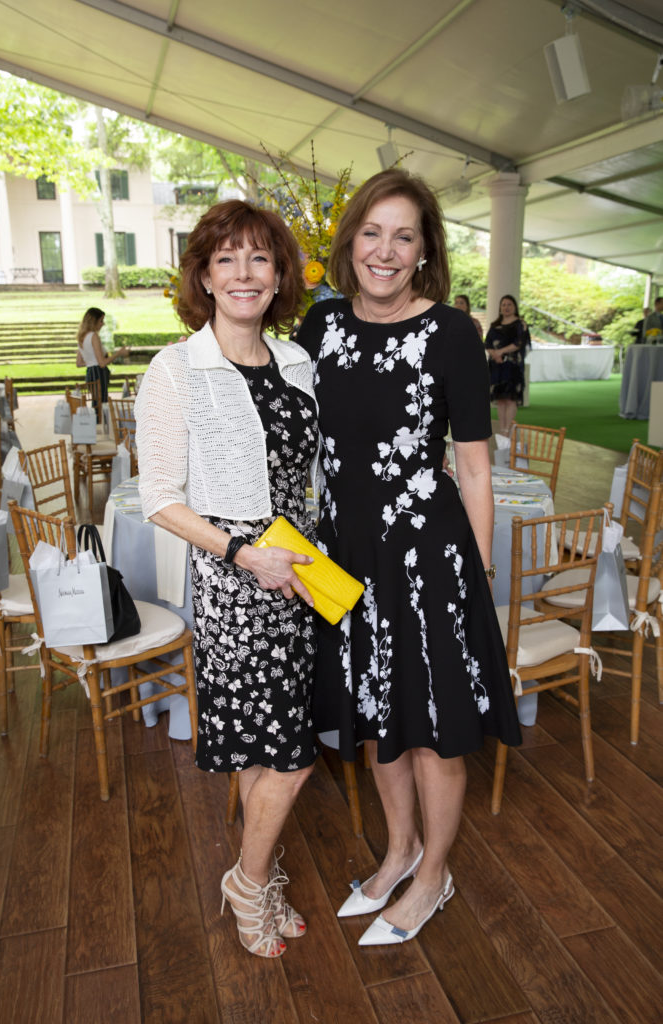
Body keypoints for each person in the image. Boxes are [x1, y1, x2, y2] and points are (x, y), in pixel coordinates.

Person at [297, 169, 521, 947]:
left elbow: (475, 467)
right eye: (372, 232)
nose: (385, 251)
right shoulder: (317, 331)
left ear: (424, 250)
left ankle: (434, 876)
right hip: (343, 556)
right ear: (349, 239)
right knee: (372, 713)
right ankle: (398, 852)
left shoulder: (452, 333)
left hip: (428, 557)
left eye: (403, 235)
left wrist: (479, 580)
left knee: (430, 725)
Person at [134, 200, 321, 960]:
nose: (244, 273)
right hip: (238, 587)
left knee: (257, 747)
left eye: (260, 259)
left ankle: (258, 870)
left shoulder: (297, 362)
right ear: (204, 277)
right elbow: (158, 499)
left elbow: (311, 473)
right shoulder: (177, 369)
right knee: (293, 752)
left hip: (301, 576)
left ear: (279, 276)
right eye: (227, 259)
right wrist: (244, 554)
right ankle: (248, 883)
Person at [484, 294, 531, 437]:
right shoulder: (495, 325)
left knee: (511, 398)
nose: (506, 307)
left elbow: (518, 344)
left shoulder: (520, 324)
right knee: (500, 399)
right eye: (503, 305)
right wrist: (495, 354)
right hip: (497, 367)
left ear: (515, 307)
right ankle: (502, 428)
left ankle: (507, 429)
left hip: (512, 366)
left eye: (509, 304)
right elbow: (488, 343)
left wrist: (501, 352)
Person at [75, 307, 129, 414]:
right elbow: (102, 363)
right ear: (93, 321)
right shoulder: (93, 336)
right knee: (101, 404)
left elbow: (79, 363)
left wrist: (91, 361)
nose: (103, 324)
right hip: (98, 373)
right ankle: (101, 426)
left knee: (96, 404)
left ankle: (97, 426)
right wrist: (119, 353)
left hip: (90, 373)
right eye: (101, 321)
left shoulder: (82, 337)